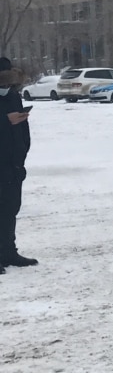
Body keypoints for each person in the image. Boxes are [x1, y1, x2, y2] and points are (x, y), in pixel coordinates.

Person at [0, 58, 35, 270]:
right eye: (1, 85)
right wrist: (5, 121)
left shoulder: (13, 96)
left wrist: (23, 150)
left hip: (13, 163)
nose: (5, 89)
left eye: (7, 84)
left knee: (10, 208)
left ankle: (8, 252)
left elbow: (22, 127)